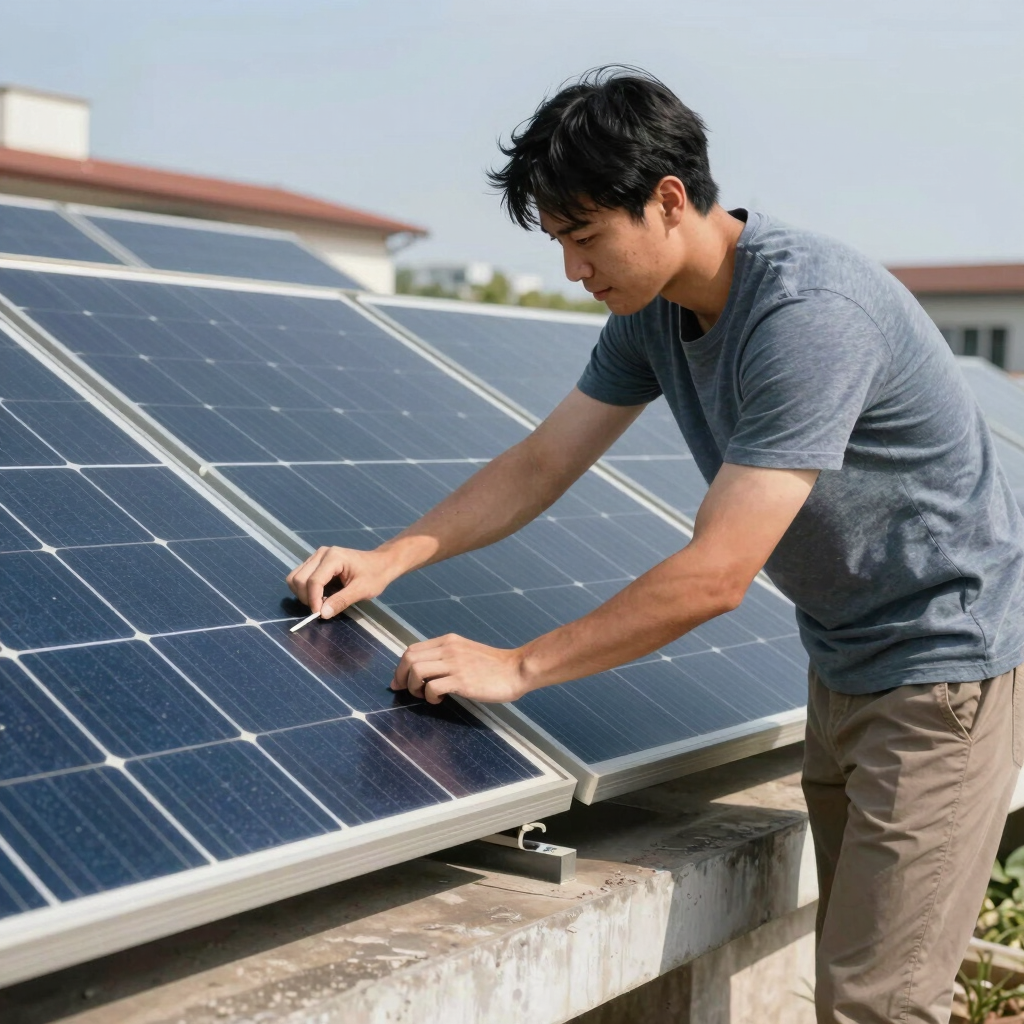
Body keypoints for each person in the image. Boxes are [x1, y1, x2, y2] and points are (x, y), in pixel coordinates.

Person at [286, 67, 1024, 1023]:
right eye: (558, 242)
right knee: (865, 988)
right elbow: (544, 461)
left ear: (669, 200)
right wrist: (392, 557)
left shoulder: (808, 317)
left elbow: (716, 575)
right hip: (844, 657)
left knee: (878, 1004)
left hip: (940, 671)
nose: (572, 269)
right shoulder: (652, 314)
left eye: (585, 235)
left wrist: (518, 665)